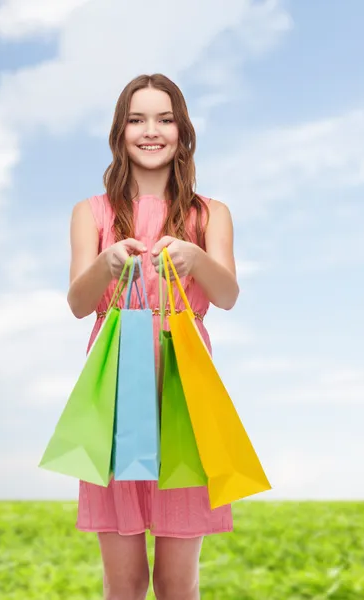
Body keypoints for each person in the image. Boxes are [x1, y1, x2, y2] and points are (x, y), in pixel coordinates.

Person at [67, 73, 240, 600]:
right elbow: (78, 304)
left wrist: (196, 258)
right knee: (123, 581)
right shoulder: (90, 212)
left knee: (177, 581)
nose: (151, 131)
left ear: (182, 132)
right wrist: (105, 262)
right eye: (137, 119)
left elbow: (228, 294)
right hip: (117, 395)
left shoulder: (210, 213)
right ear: (120, 132)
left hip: (184, 394)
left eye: (164, 119)